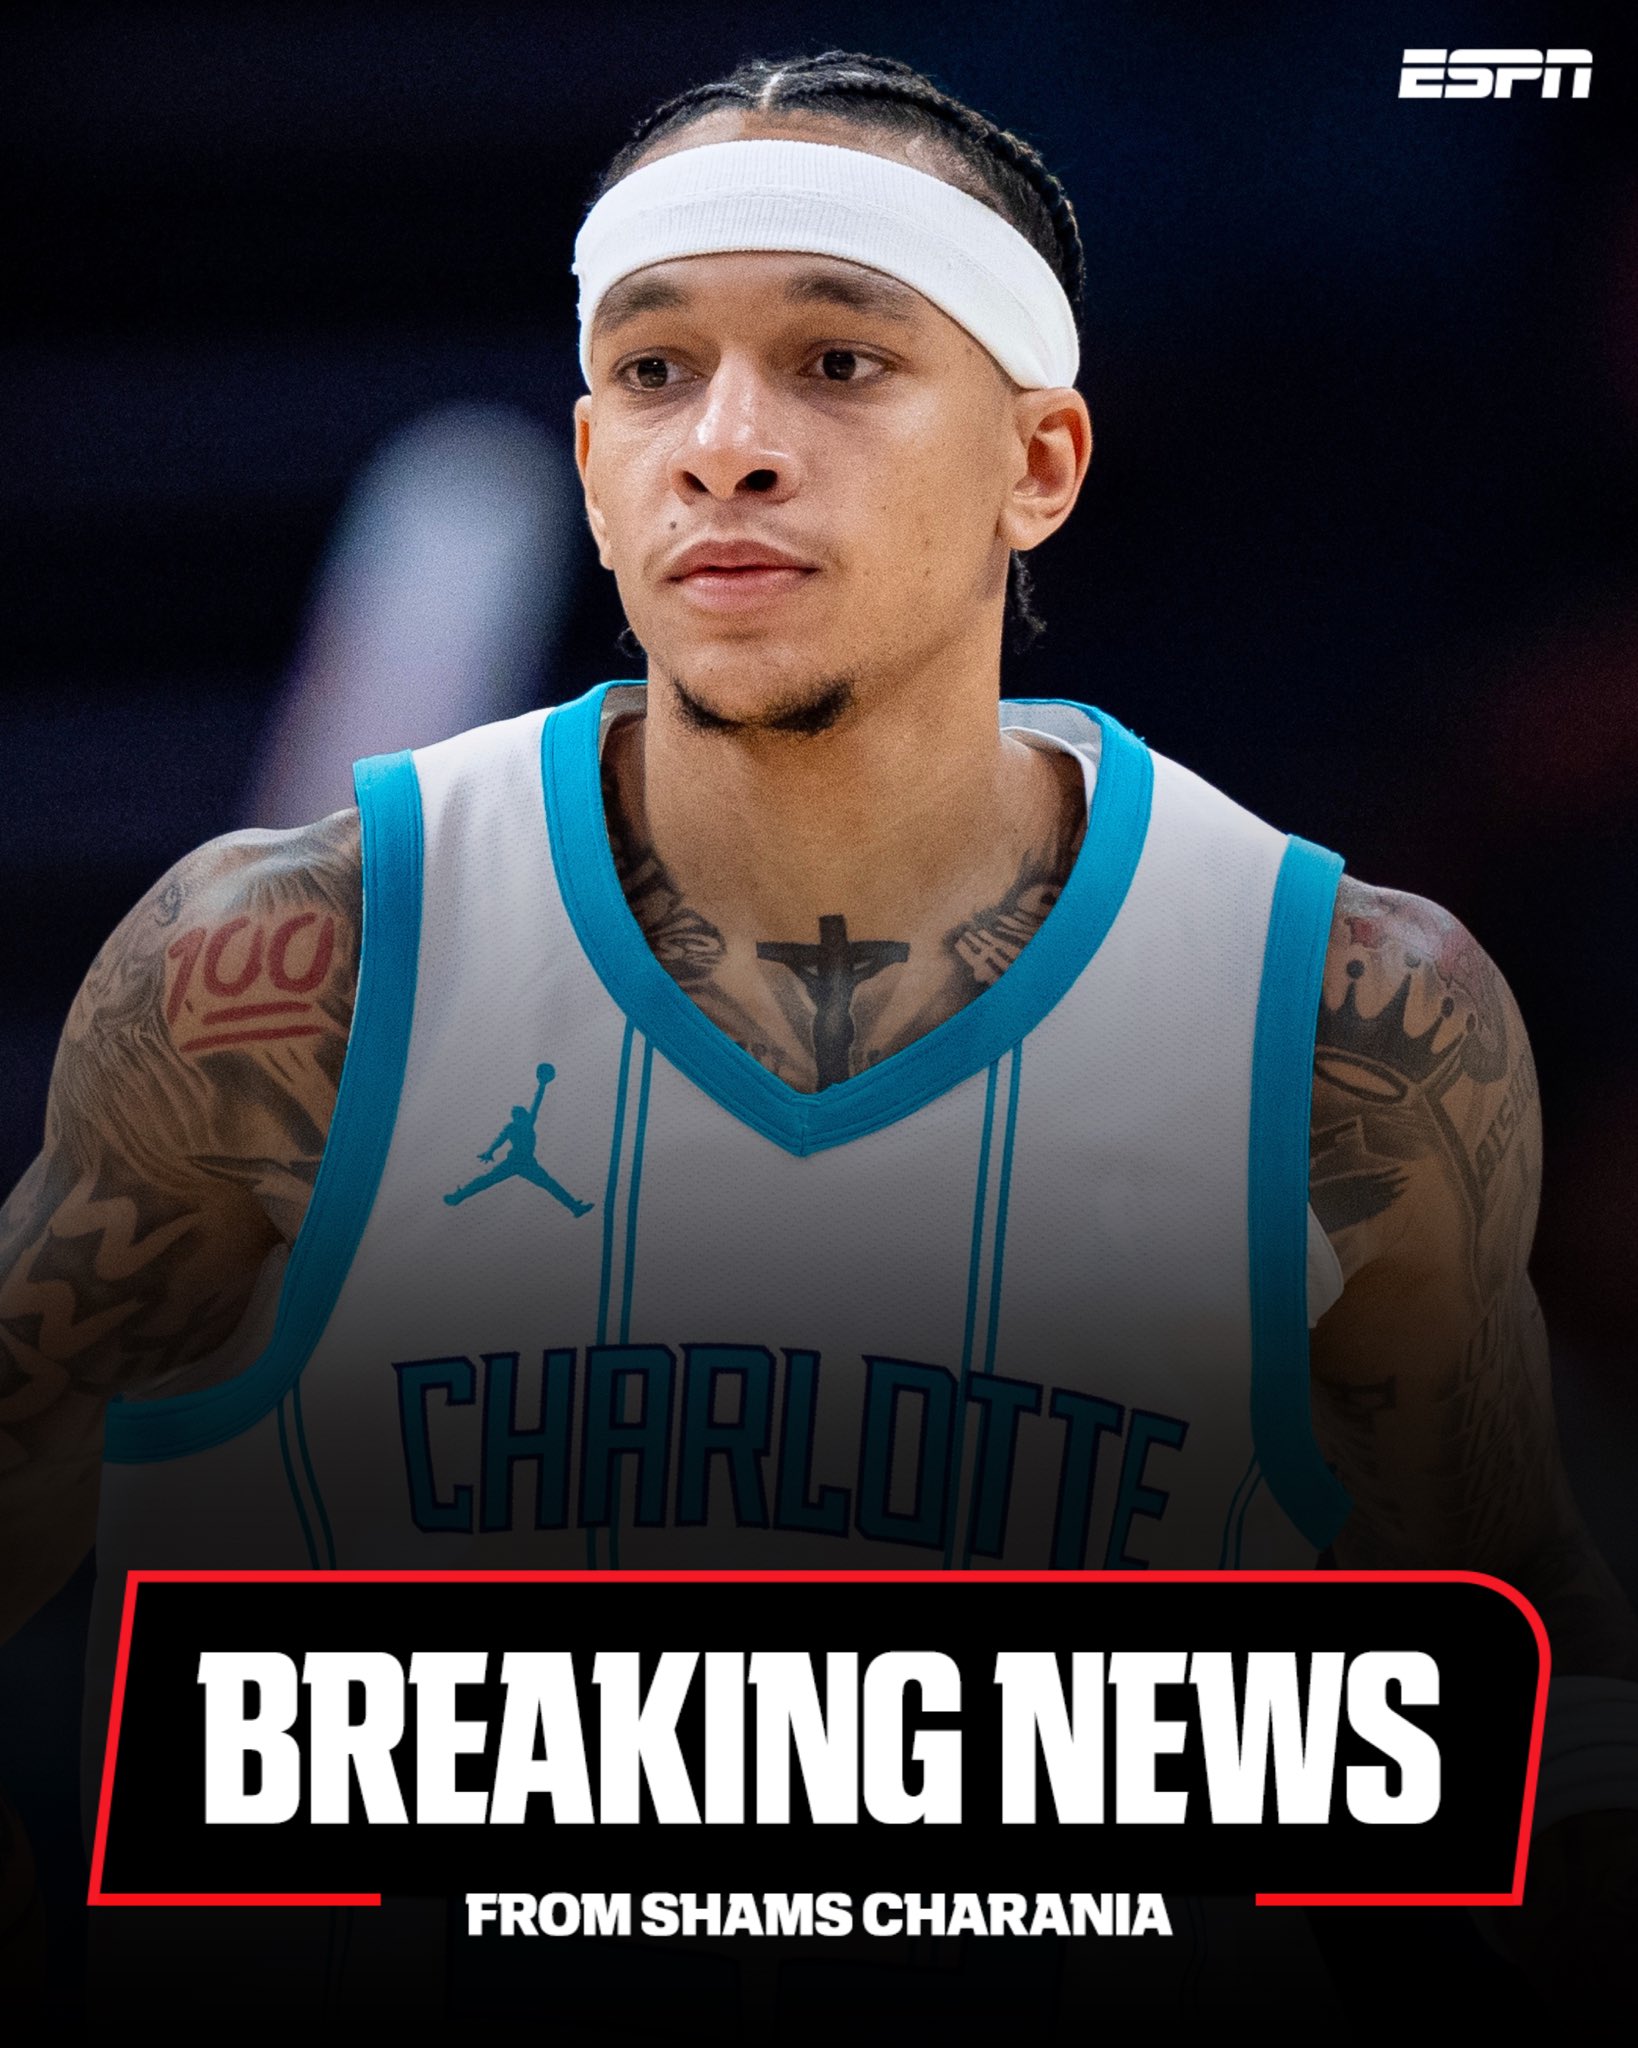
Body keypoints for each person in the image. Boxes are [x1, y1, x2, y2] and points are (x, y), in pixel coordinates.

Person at [2, 44, 1634, 2043]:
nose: (728, 446)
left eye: (839, 362)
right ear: (591, 461)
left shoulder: (1349, 1017)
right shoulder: (281, 976)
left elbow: (1523, 1709)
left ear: (1039, 463)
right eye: (654, 371)